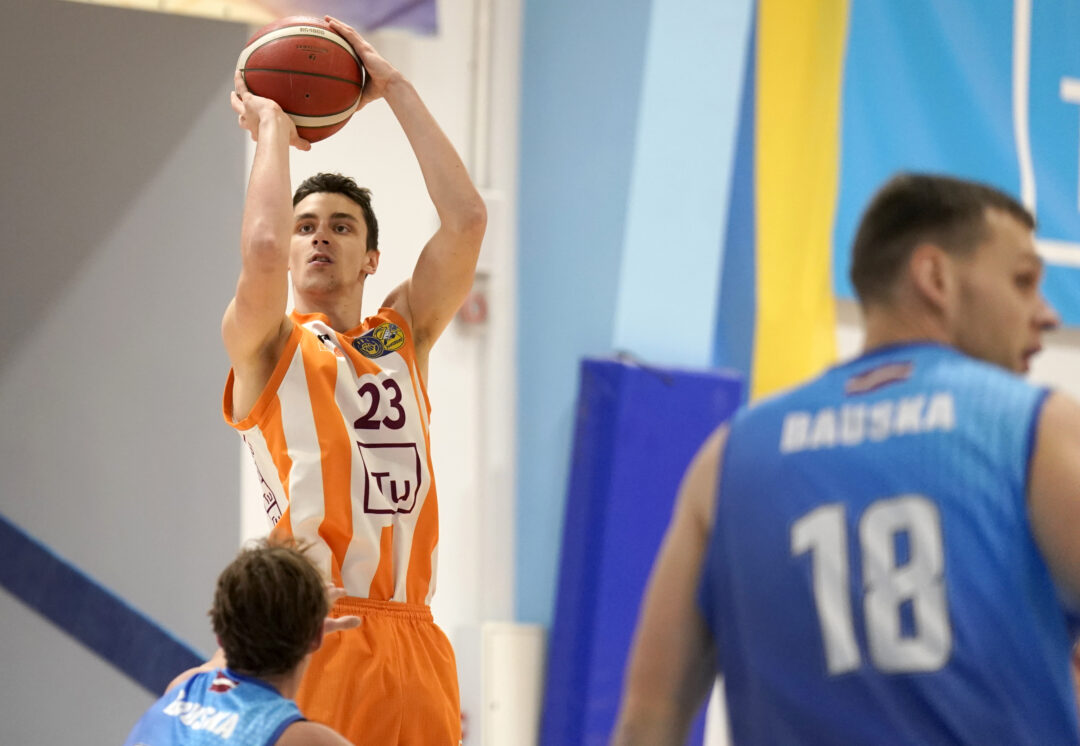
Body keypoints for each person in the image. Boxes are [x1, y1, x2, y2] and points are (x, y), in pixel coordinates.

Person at [611, 173, 1080, 745]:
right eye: (1023, 282)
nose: (1046, 313)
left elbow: (647, 720)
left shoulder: (727, 458)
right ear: (935, 277)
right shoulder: (1034, 428)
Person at [224, 15, 485, 745]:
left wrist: (393, 85)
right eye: (307, 224)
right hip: (321, 631)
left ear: (371, 258)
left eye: (341, 226)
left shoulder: (403, 334)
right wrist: (273, 131)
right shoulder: (266, 344)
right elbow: (263, 245)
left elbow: (467, 221)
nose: (319, 236)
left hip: (417, 636)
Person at [124, 541, 354, 745]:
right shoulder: (299, 739)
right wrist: (307, 619)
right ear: (316, 638)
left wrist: (307, 621)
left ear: (219, 637)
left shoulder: (181, 687)